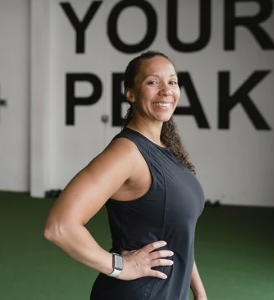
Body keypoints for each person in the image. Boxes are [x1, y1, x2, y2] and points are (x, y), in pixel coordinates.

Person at [44, 50, 207, 300]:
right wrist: (121, 266)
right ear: (130, 93)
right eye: (153, 82)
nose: (166, 90)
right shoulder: (126, 153)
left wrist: (199, 292)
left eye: (172, 81)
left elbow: (179, 235)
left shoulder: (167, 147)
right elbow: (59, 227)